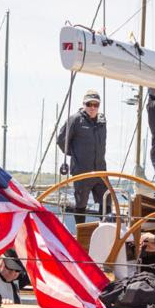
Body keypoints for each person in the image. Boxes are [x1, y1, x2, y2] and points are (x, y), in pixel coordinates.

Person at [57, 89, 107, 224]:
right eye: (89, 104)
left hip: (101, 171)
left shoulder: (102, 121)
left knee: (107, 200)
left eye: (95, 104)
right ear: (84, 104)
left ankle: (105, 230)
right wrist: (74, 154)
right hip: (82, 171)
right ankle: (80, 233)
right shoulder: (74, 120)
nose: (92, 107)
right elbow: (61, 140)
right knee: (81, 204)